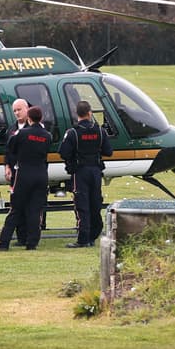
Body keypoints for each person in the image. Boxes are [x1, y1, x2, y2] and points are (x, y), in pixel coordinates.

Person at [0, 105, 50, 251]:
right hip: (41, 173)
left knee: (16, 209)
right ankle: (32, 243)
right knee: (35, 210)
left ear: (29, 119)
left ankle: (4, 242)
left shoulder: (22, 133)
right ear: (41, 118)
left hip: (24, 173)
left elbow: (11, 146)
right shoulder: (47, 135)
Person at [59, 99, 112, 248]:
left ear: (77, 114)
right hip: (95, 171)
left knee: (82, 205)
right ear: (90, 113)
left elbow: (63, 152)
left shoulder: (72, 133)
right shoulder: (100, 131)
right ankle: (93, 234)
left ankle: (83, 239)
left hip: (80, 172)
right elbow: (108, 151)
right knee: (95, 203)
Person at [0, 99, 31, 246]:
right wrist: (7, 166)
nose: (17, 113)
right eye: (14, 110)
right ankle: (21, 237)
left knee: (30, 205)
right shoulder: (11, 129)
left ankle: (30, 236)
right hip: (15, 172)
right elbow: (7, 151)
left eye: (19, 109)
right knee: (17, 205)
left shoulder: (35, 127)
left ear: (27, 109)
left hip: (29, 171)